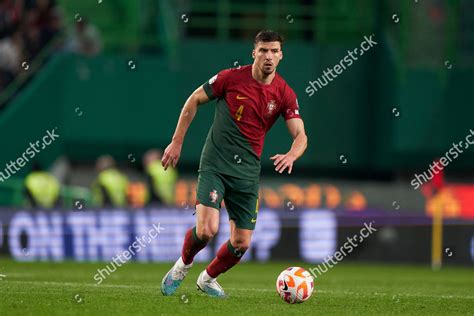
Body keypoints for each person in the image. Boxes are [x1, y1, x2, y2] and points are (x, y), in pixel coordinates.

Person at [160, 30, 307, 298]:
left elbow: (300, 135)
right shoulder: (230, 78)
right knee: (206, 231)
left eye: (274, 51)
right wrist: (177, 141)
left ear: (281, 56)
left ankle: (207, 278)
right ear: (254, 52)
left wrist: (292, 155)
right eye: (263, 50)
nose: (268, 56)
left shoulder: (284, 93)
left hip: (248, 174)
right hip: (216, 164)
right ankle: (184, 264)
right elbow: (194, 99)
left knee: (241, 243)